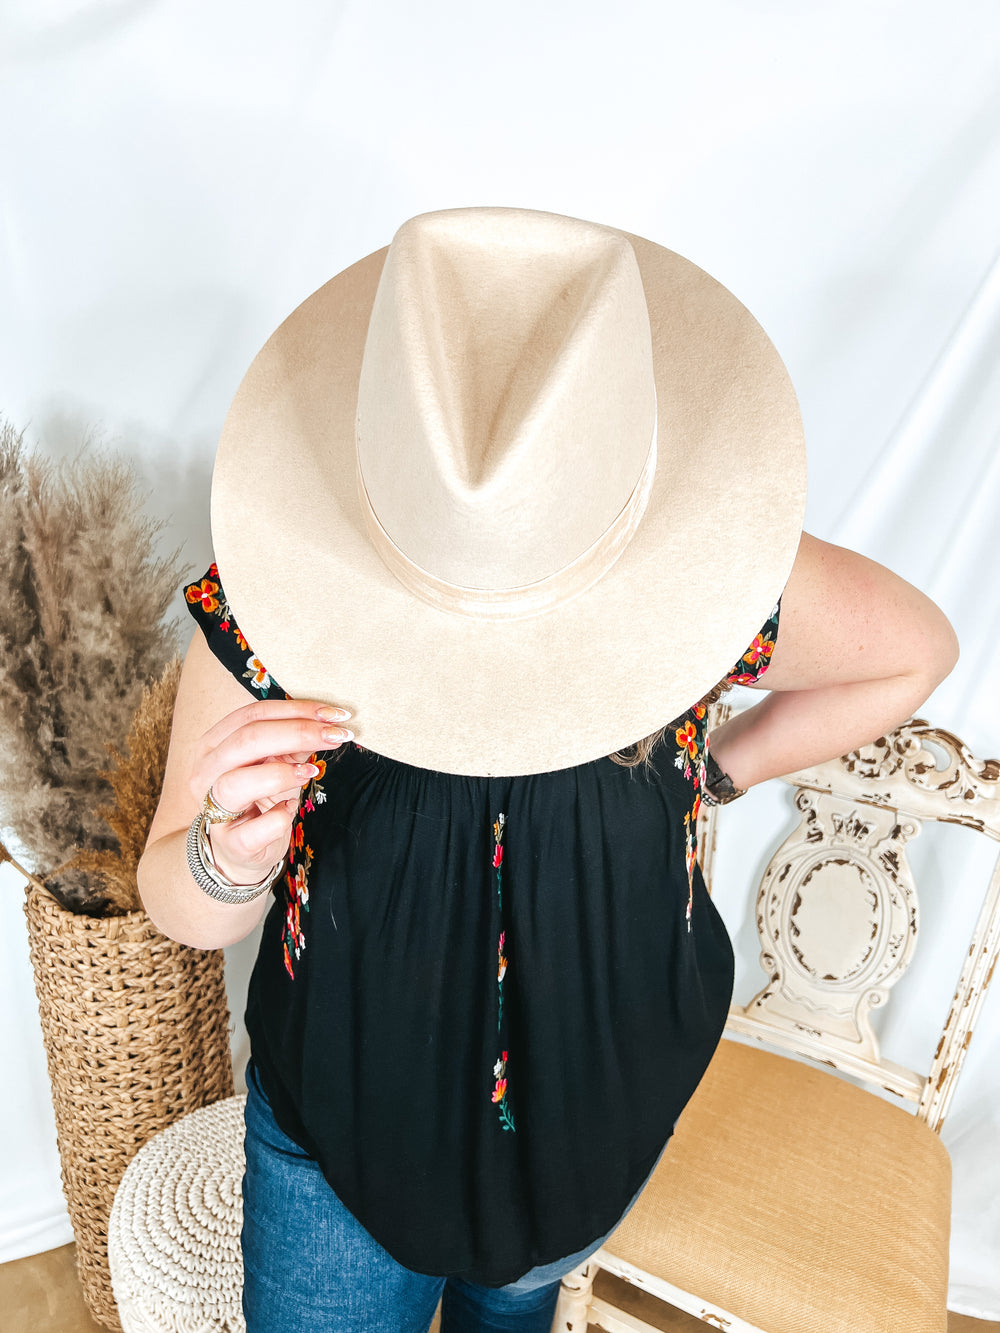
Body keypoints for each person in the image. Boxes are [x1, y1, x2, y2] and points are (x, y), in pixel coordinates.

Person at [136, 207, 958, 1333]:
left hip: (587, 1116)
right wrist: (228, 854)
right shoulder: (278, 595)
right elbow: (173, 906)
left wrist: (717, 771)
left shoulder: (697, 589)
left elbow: (911, 651)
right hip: (339, 1134)